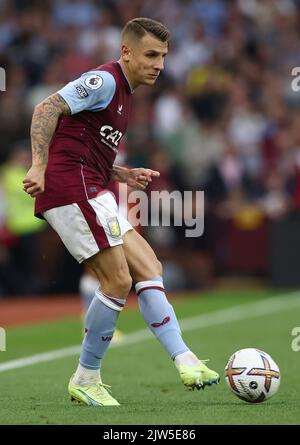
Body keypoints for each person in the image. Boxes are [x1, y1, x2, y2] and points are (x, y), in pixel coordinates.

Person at [23, 17, 219, 407]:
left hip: (92, 184)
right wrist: (38, 164)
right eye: (150, 54)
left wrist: (122, 173)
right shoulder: (106, 81)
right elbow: (47, 108)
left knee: (149, 266)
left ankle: (186, 360)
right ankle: (86, 377)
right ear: (126, 52)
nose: (159, 64)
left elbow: (81, 144)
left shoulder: (127, 93)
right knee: (117, 280)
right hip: (70, 187)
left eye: (163, 56)